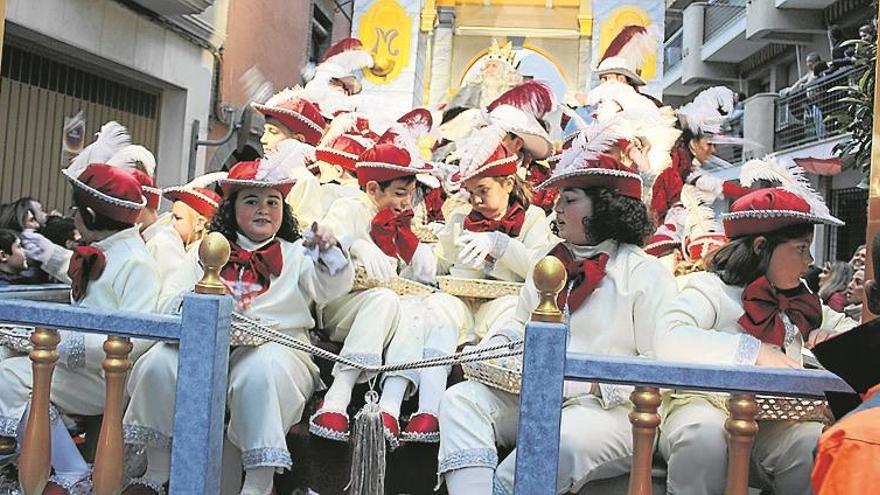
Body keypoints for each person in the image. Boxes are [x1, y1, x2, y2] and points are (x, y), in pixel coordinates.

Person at [438, 146, 676, 494]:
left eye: (571, 199)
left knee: (554, 439)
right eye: (559, 199)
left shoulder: (646, 275)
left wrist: (587, 383)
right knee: (460, 400)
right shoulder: (550, 262)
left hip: (614, 413)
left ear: (605, 206)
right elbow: (520, 323)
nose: (557, 207)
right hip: (537, 395)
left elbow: (662, 366)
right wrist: (497, 344)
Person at [123, 152, 353, 495]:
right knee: (157, 363)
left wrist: (329, 253)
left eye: (272, 201)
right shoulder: (204, 249)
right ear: (231, 208)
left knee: (260, 372)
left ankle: (259, 482)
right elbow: (167, 305)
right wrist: (200, 305)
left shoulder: (296, 254)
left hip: (279, 349)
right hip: (207, 348)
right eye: (252, 201)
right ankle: (156, 474)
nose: (263, 209)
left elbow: (331, 289)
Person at [653, 158, 857, 495]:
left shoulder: (800, 297)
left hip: (772, 420)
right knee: (703, 437)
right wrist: (753, 351)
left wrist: (833, 340)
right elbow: (669, 336)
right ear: (761, 246)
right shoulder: (709, 288)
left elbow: (846, 329)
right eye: (800, 249)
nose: (809, 262)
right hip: (702, 407)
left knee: (810, 442)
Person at [1, 122, 161, 494]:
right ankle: (36, 468)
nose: (71, 218)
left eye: (76, 211)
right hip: (85, 368)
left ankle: (73, 473)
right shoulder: (107, 251)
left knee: (11, 378)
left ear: (88, 217)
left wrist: (53, 345)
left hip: (109, 376)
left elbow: (135, 339)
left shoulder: (135, 262)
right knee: (5, 361)